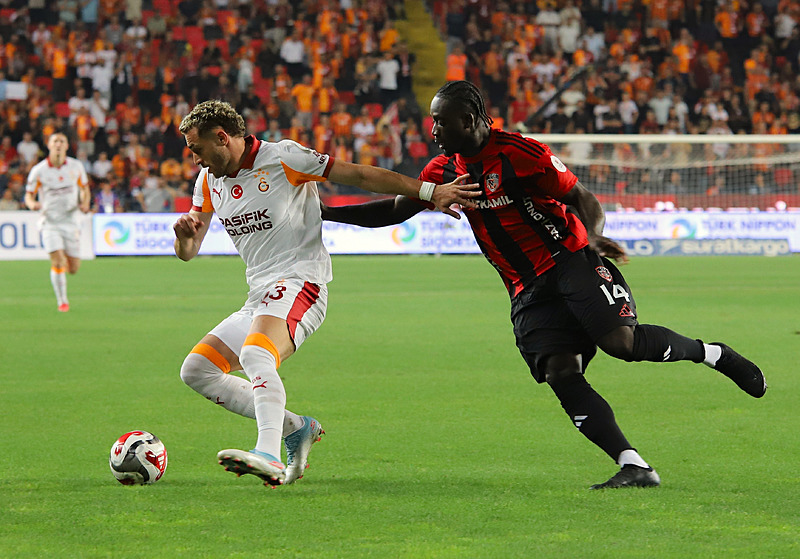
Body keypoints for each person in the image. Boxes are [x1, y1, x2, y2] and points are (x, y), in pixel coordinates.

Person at [321, 81, 767, 489]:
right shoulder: (444, 170)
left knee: (621, 343)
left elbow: (582, 197)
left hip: (569, 259)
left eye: (441, 120)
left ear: (469, 121)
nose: (433, 129)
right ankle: (634, 464)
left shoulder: (521, 153)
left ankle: (714, 354)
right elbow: (394, 211)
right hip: (525, 286)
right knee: (560, 371)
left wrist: (594, 236)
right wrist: (325, 213)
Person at [173, 100, 479, 487]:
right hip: (261, 294)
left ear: (222, 137)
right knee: (197, 370)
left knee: (255, 354)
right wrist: (183, 238)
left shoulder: (283, 158)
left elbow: (360, 175)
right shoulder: (208, 182)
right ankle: (296, 428)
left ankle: (266, 454)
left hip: (302, 282)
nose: (195, 160)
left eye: (196, 149)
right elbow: (189, 251)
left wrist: (430, 191)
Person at [24, 132, 91, 312]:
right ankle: (62, 301)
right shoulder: (39, 170)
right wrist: (32, 204)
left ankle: (61, 270)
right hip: (50, 222)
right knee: (58, 261)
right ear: (49, 145)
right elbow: (29, 195)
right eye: (55, 141)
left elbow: (85, 189)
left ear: (67, 146)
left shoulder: (76, 166)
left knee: (73, 268)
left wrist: (85, 203)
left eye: (62, 141)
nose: (58, 144)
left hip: (71, 221)